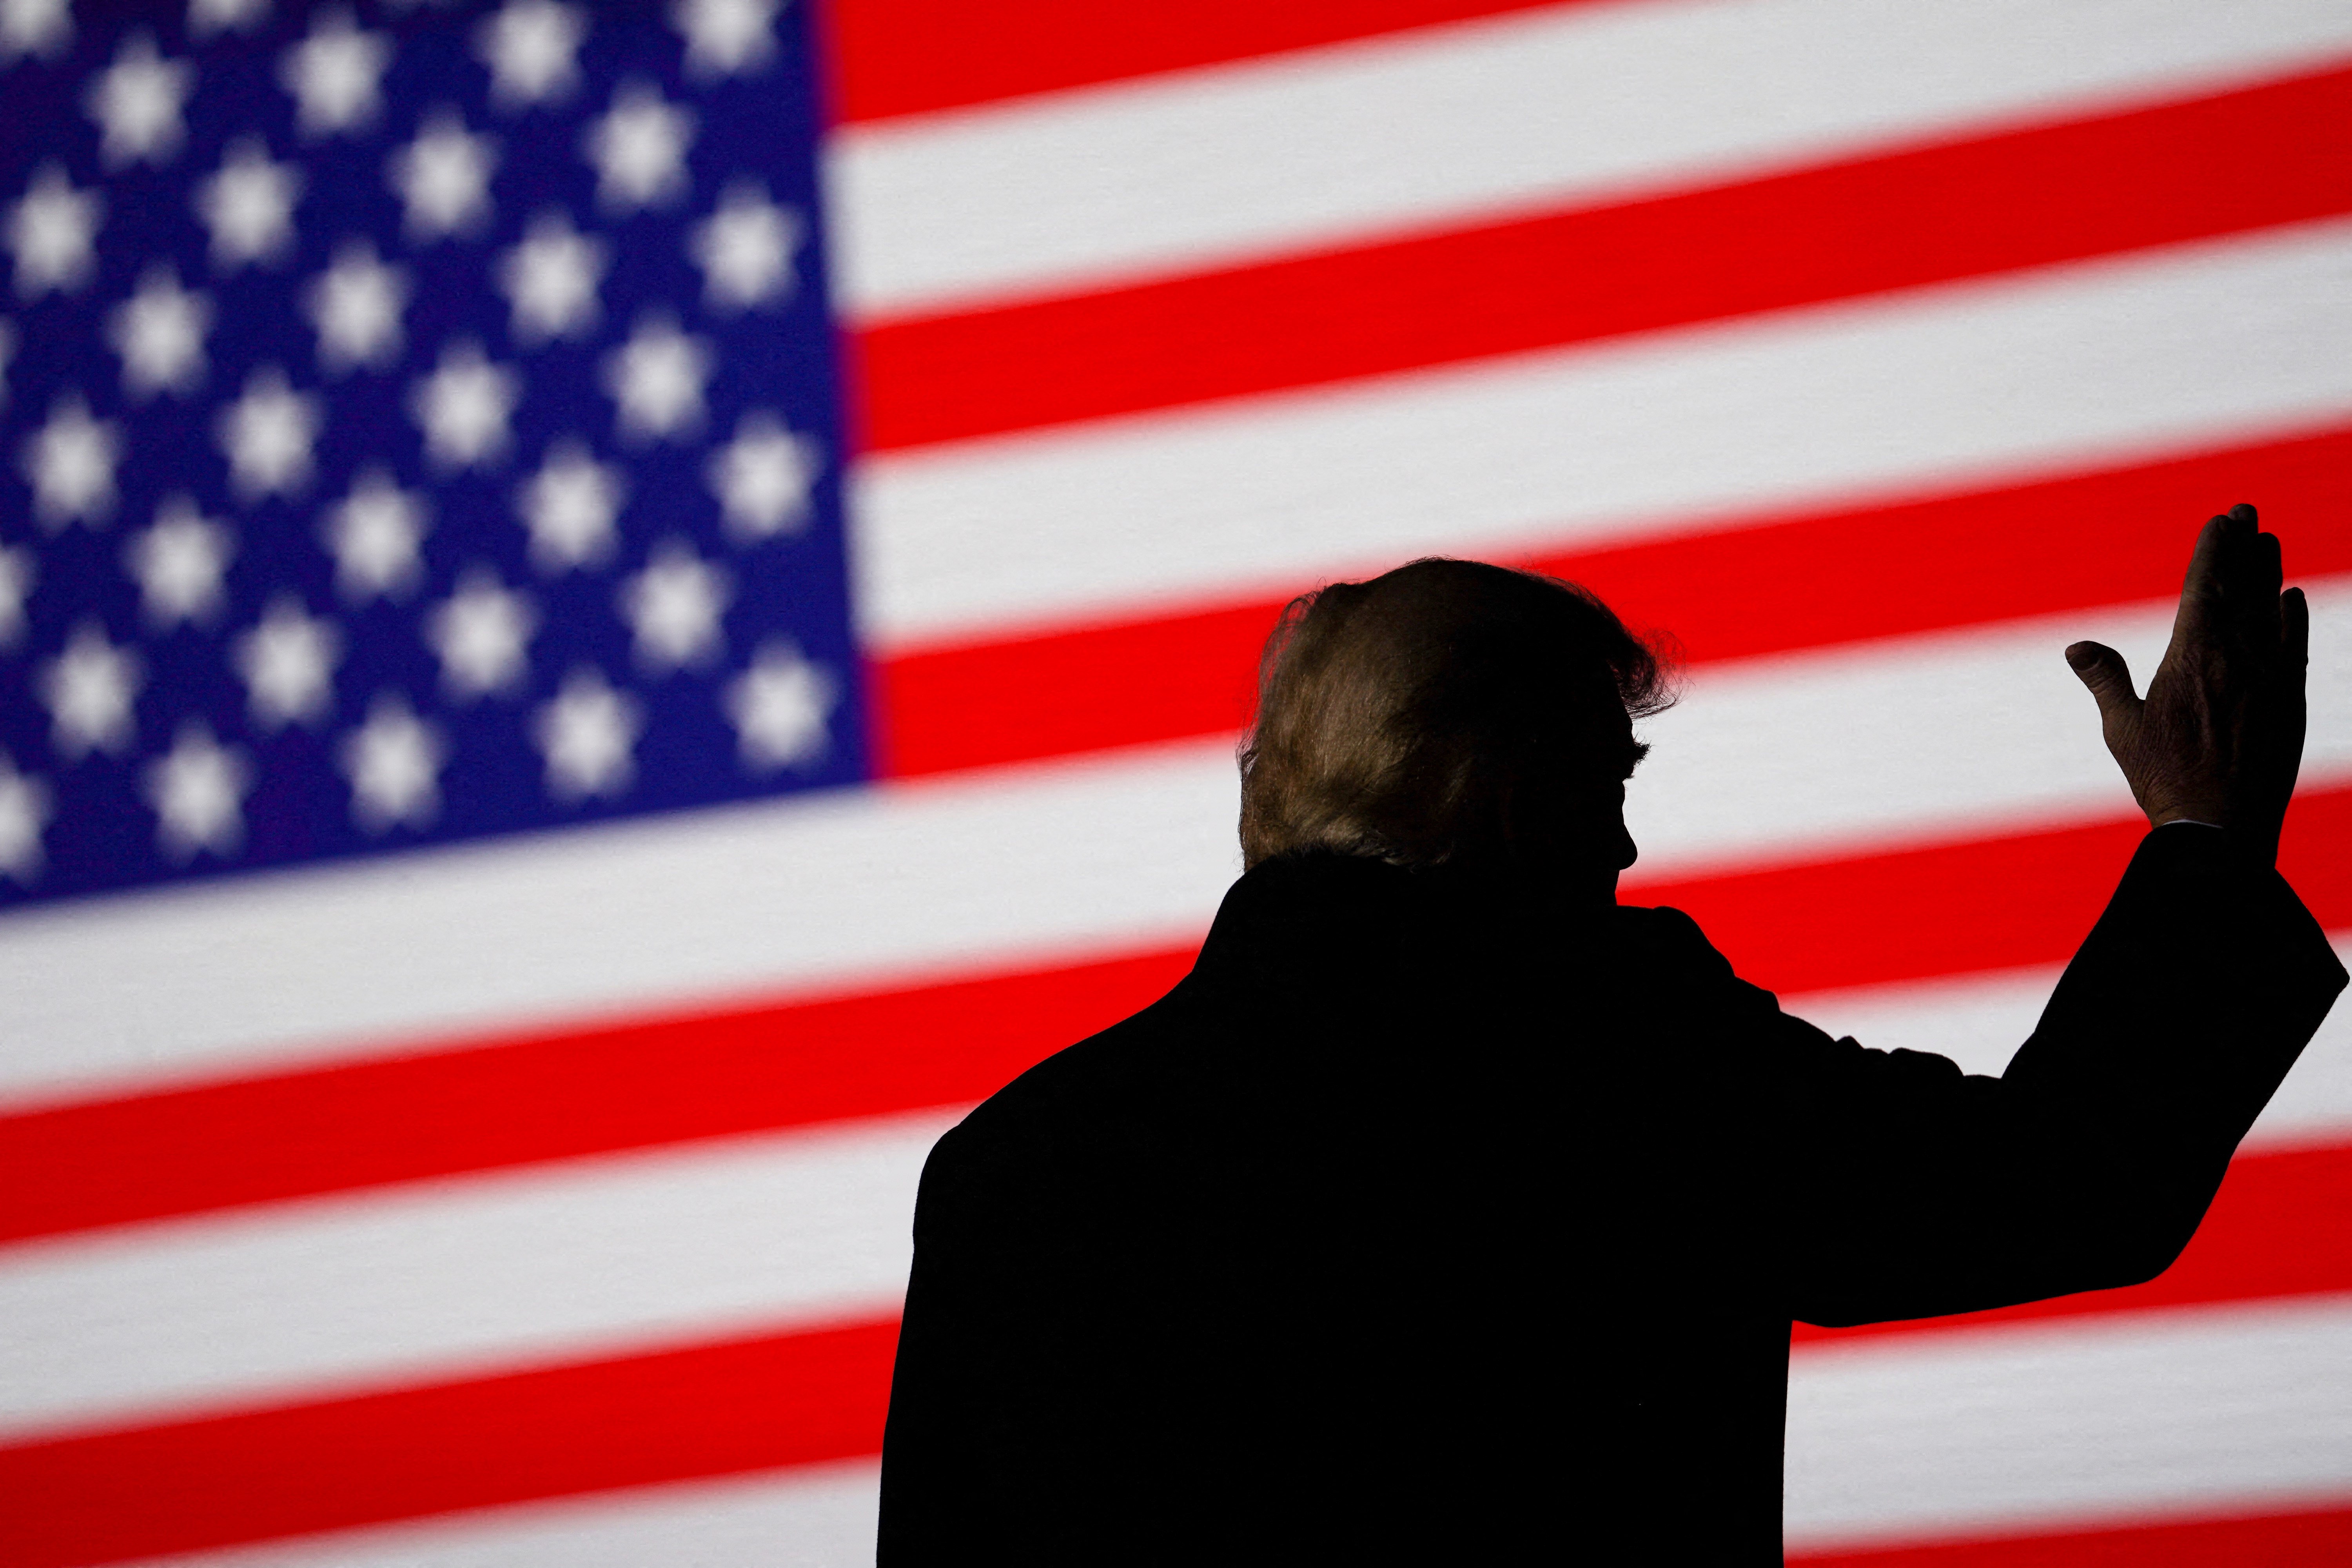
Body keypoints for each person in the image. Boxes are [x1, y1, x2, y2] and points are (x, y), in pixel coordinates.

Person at [875, 506, 2343, 1563]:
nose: (1628, 847)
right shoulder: (1625, 1069)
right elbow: (2060, 1183)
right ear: (1509, 794)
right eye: (1605, 777)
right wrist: (2208, 831)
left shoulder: (1011, 1173)